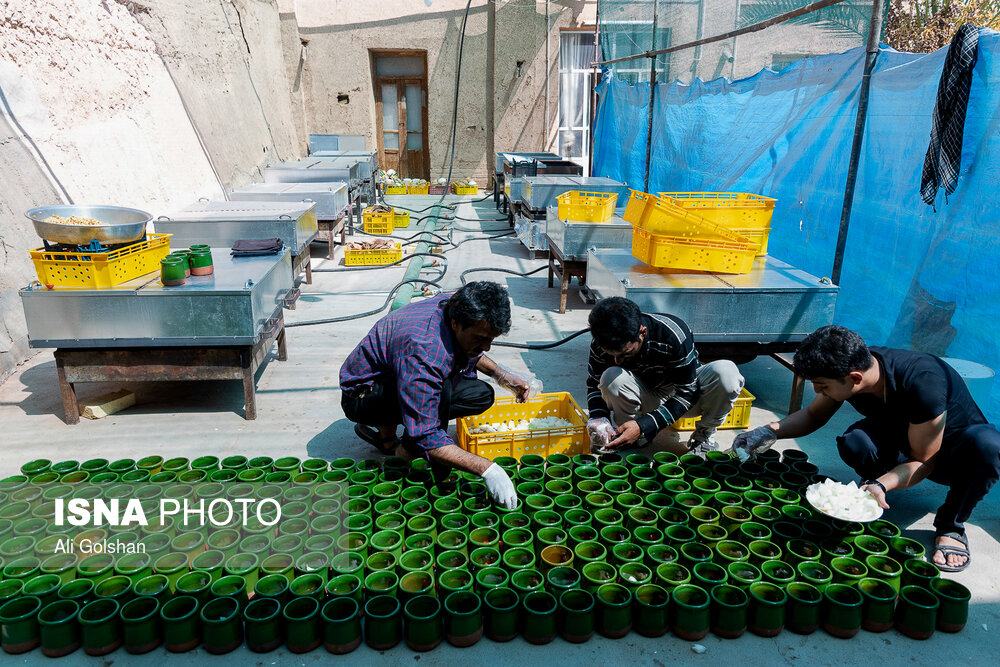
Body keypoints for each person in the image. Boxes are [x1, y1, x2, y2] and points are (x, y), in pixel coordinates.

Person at [733, 324, 1000, 572]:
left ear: (855, 378)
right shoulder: (855, 366)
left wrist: (882, 484)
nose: (818, 391)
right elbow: (814, 416)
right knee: (856, 442)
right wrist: (768, 431)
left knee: (988, 445)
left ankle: (951, 526)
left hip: (950, 456)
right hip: (904, 438)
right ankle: (876, 485)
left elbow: (923, 461)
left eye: (822, 386)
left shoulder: (924, 383)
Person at [340, 281, 530, 509]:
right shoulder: (425, 352)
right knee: (439, 397)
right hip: (362, 396)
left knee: (479, 394)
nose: (486, 347)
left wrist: (501, 374)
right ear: (456, 323)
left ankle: (389, 438)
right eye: (481, 338)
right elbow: (425, 433)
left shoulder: (456, 304)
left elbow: (467, 347)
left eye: (491, 339)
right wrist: (488, 469)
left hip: (392, 375)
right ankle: (399, 448)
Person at [585, 297, 745, 454]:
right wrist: (599, 417)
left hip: (684, 396)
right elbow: (594, 384)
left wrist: (644, 424)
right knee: (611, 378)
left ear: (642, 332)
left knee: (726, 372)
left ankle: (704, 437)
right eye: (611, 354)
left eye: (625, 353)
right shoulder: (602, 340)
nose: (617, 360)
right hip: (644, 395)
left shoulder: (672, 334)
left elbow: (687, 394)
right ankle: (632, 435)